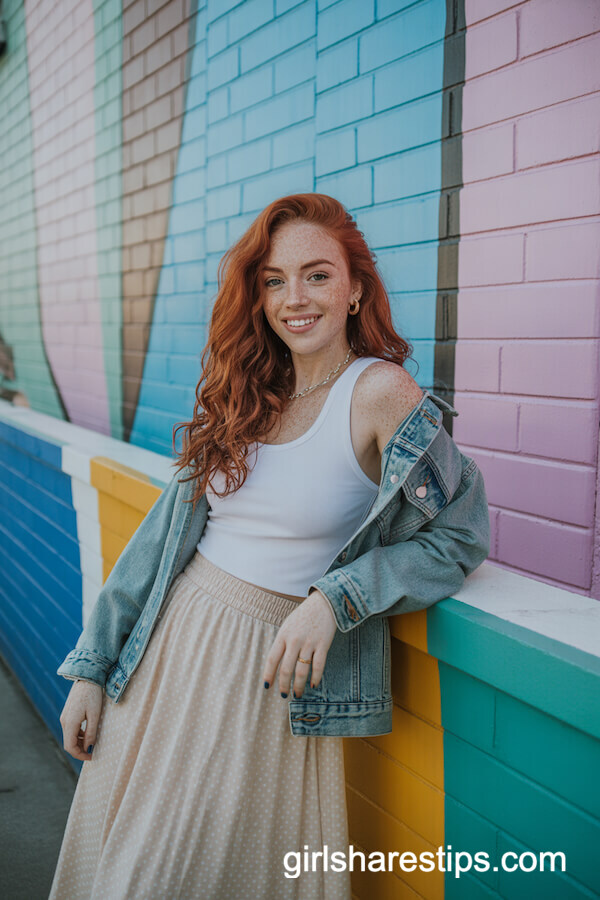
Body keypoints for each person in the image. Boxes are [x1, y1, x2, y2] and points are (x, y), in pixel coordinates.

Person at [49, 193, 490, 900]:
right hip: (169, 654)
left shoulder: (381, 393)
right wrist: (93, 669)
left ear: (355, 290)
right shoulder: (249, 389)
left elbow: (462, 534)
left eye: (317, 275)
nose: (295, 298)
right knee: (124, 868)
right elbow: (161, 543)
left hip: (267, 676)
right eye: (274, 280)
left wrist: (334, 600)